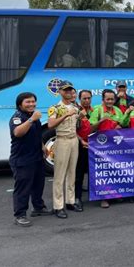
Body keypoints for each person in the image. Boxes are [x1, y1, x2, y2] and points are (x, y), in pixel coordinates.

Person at [9, 92, 52, 226]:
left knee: (38, 184)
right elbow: (18, 133)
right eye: (28, 102)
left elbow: (37, 134)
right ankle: (20, 215)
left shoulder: (33, 116)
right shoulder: (18, 117)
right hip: (22, 159)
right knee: (23, 188)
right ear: (20, 104)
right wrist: (31, 119)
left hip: (36, 157)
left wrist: (42, 146)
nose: (32, 104)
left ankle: (38, 207)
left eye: (33, 101)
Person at [47, 80, 82, 218]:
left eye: (70, 90)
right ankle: (58, 205)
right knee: (59, 174)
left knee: (72, 172)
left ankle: (70, 201)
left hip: (74, 140)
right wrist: (66, 115)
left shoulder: (75, 107)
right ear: (60, 91)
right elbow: (50, 125)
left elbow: (77, 125)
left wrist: (80, 117)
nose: (68, 92)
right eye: (65, 90)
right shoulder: (55, 108)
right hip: (62, 140)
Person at [89, 89, 124, 208]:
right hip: (100, 147)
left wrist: (120, 127)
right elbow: (90, 129)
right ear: (103, 100)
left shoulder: (118, 111)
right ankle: (104, 198)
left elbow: (123, 125)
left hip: (115, 146)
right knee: (103, 174)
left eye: (112, 99)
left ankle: (116, 195)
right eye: (107, 99)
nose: (110, 101)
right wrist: (100, 121)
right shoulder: (97, 110)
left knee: (115, 171)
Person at [75, 90, 93, 211]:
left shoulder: (94, 111)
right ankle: (77, 198)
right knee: (79, 172)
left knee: (93, 171)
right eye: (84, 98)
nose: (86, 101)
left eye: (88, 98)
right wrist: (81, 141)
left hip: (93, 145)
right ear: (79, 99)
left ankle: (96, 194)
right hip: (80, 145)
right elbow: (71, 129)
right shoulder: (76, 112)